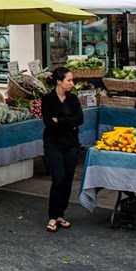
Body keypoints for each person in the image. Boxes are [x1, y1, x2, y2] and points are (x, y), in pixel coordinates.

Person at [41, 66, 83, 233]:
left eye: (72, 80)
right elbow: (48, 122)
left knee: (67, 180)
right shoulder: (48, 99)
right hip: (53, 145)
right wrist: (68, 123)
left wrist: (61, 120)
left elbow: (79, 119)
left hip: (71, 145)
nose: (72, 83)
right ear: (59, 82)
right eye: (69, 80)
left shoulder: (73, 99)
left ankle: (60, 214)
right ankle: (52, 215)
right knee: (58, 179)